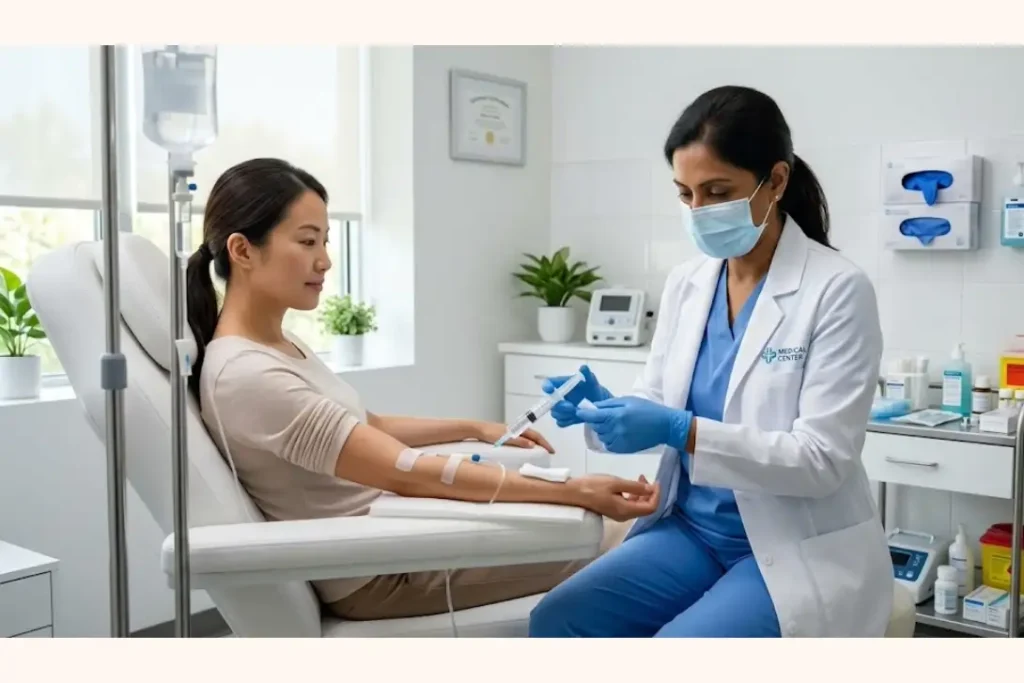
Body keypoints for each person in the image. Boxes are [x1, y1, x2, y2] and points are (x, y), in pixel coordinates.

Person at [184, 157, 659, 621]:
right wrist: (576, 489)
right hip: (380, 573)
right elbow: (404, 470)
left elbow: (372, 427)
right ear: (243, 251)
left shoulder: (278, 346)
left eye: (325, 240)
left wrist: (476, 427)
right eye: (308, 241)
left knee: (609, 528)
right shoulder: (248, 375)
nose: (326, 260)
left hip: (394, 536)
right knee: (619, 539)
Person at [528, 85, 891, 638]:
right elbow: (658, 401)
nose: (698, 212)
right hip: (691, 532)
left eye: (717, 191)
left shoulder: (836, 288)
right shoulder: (689, 282)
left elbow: (821, 460)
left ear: (776, 180)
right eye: (685, 194)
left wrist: (682, 430)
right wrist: (606, 409)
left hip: (788, 546)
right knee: (559, 620)